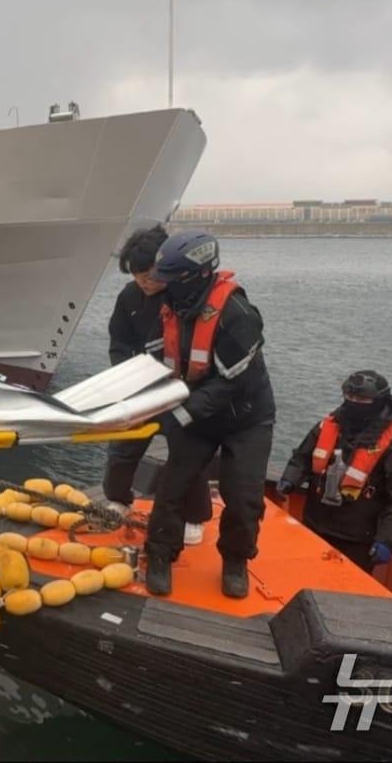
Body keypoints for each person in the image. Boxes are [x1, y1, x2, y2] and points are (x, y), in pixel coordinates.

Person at [144, 231, 276, 599]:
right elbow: (155, 360)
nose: (163, 286)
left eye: (170, 279)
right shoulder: (170, 307)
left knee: (244, 494)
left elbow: (235, 384)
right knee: (173, 485)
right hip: (195, 410)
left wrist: (181, 415)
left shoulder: (238, 315)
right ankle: (159, 555)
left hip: (245, 417)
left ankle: (236, 560)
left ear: (196, 276)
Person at [103, 225, 211, 545]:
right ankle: (119, 500)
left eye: (150, 275)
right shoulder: (129, 297)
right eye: (138, 276)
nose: (144, 283)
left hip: (182, 388)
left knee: (188, 451)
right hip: (143, 387)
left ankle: (194, 516)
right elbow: (119, 343)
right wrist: (130, 378)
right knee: (122, 446)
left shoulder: (183, 297)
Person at [277, 370, 392, 572]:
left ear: (378, 401)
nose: (354, 403)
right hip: (313, 525)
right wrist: (290, 479)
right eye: (350, 397)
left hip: (356, 540)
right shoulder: (327, 427)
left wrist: (387, 541)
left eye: (361, 399)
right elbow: (302, 457)